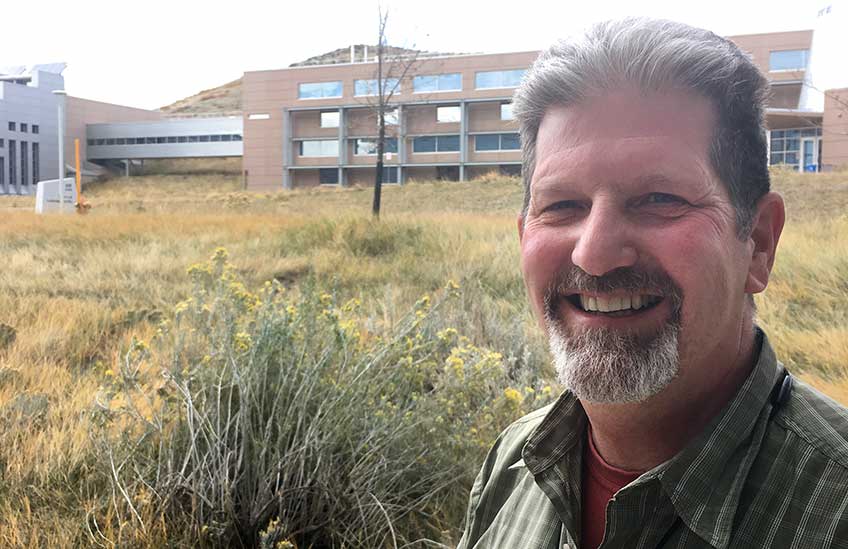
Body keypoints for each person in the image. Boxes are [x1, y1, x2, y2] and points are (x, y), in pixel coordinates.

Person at [457, 18, 848, 549]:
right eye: (562, 205)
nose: (594, 255)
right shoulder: (511, 465)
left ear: (757, 243)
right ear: (525, 235)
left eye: (660, 200)